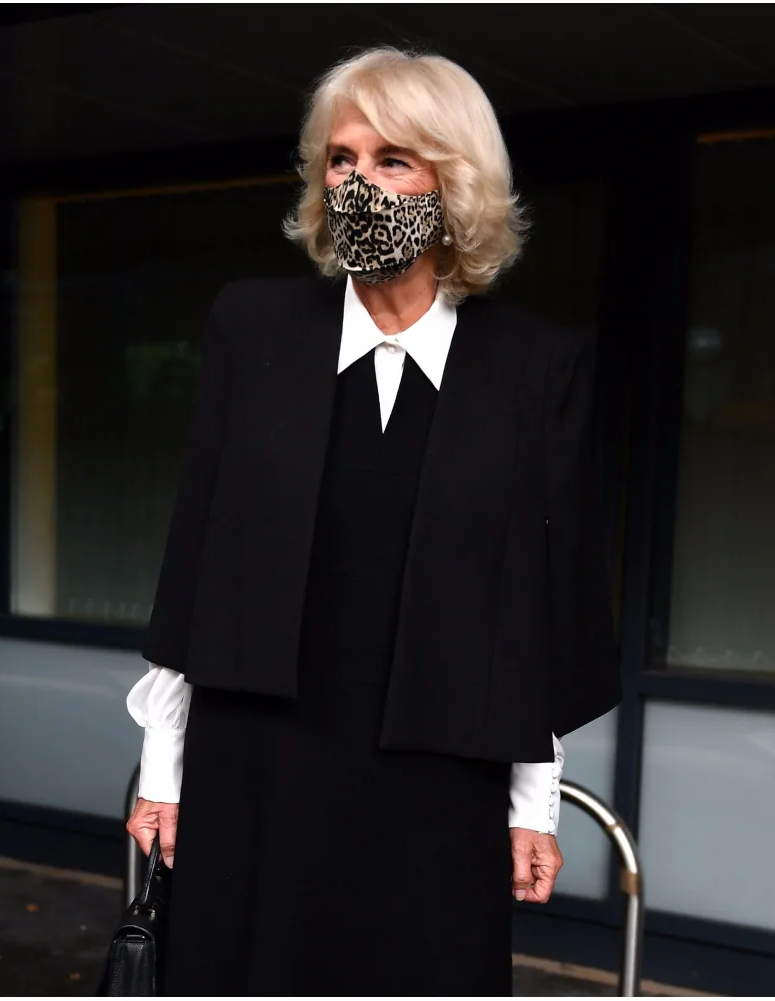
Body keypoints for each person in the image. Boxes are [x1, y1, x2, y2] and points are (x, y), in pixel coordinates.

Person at [125, 46, 620, 996]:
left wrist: (535, 806)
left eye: (393, 160)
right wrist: (162, 768)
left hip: (437, 775)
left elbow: (538, 609)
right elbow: (197, 561)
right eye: (341, 159)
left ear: (455, 182)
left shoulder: (534, 368)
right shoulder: (256, 328)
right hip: (257, 763)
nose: (359, 181)